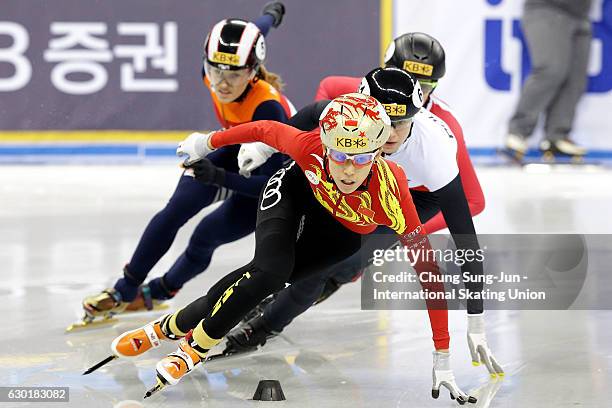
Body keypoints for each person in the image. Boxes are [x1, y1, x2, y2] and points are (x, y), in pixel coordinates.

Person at [102, 92, 476, 404]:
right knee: (270, 271)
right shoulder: (309, 145)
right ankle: (194, 349)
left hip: (340, 232)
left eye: (361, 158)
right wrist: (207, 141)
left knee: (259, 281)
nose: (348, 169)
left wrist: (443, 353)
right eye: (340, 156)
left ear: (379, 153)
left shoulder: (393, 194)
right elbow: (265, 129)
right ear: (326, 147)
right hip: (295, 193)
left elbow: (430, 276)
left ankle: (169, 326)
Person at [229, 33, 502, 379]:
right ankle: (269, 292)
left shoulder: (437, 145)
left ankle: (264, 326)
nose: (407, 87)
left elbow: (470, 214)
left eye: (424, 83)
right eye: (402, 74)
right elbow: (321, 102)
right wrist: (280, 146)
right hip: (358, 168)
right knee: (307, 241)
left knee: (332, 261)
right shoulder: (359, 101)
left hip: (410, 196)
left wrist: (475, 319)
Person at [78, 3, 292, 325]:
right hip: (232, 148)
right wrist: (270, 17)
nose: (222, 83)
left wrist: (219, 176)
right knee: (176, 209)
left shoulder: (268, 109)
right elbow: (254, 32)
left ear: (252, 72)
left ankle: (160, 291)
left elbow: (268, 186)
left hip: (269, 179)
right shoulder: (219, 66)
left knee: (205, 236)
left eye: (233, 75)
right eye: (215, 71)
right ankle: (124, 290)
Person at [504, 0, 593, 159]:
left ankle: (557, 136)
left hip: (581, 14)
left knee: (575, 79)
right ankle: (518, 131)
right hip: (546, 8)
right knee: (550, 69)